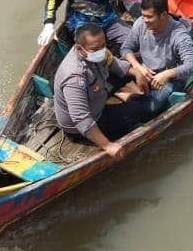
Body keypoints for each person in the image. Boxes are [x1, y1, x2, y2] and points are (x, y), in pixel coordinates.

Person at [53, 23, 154, 157]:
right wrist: (108, 145)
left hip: (98, 91)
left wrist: (137, 73)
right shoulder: (74, 77)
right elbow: (81, 118)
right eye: (95, 49)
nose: (101, 51)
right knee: (140, 108)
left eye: (103, 45)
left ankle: (124, 97)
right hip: (84, 125)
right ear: (79, 48)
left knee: (139, 66)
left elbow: (113, 64)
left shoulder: (97, 51)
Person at [120, 0, 193, 115]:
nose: (145, 20)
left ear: (163, 15)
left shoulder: (179, 35)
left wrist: (167, 74)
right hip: (145, 70)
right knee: (114, 69)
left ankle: (127, 100)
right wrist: (138, 68)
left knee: (151, 107)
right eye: (143, 16)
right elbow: (126, 48)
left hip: (170, 79)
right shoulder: (141, 23)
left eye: (149, 17)